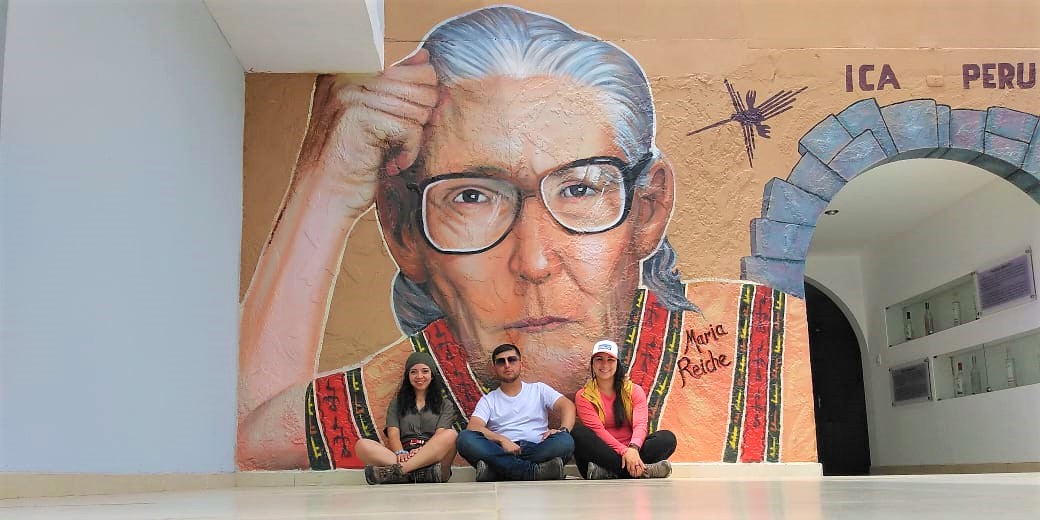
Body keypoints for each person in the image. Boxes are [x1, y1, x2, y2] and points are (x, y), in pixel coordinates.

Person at [235, 5, 814, 472]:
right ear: (404, 231)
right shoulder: (411, 378)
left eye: (580, 188)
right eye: (472, 197)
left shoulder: (762, 344)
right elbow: (243, 444)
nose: (534, 262)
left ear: (647, 210)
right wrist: (325, 192)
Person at [455, 344, 575, 481]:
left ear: (520, 363)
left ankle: (498, 472)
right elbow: (474, 427)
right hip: (501, 450)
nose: (507, 365)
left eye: (511, 360)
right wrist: (502, 440)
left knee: (565, 441)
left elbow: (567, 406)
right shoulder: (489, 400)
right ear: (495, 368)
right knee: (465, 439)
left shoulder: (538, 389)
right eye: (501, 362)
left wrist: (563, 430)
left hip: (537, 448)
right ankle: (534, 472)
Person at [573, 340, 676, 479]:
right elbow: (598, 431)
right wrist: (624, 451)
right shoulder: (584, 396)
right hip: (604, 453)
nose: (604, 365)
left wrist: (633, 448)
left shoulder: (634, 391)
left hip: (634, 451)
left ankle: (608, 473)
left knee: (667, 439)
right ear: (592, 363)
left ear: (617, 363)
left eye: (610, 360)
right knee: (578, 434)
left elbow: (640, 424)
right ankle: (645, 471)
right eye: (599, 359)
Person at [353, 352, 458, 484]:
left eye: (425, 371)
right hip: (403, 456)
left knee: (451, 435)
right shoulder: (397, 403)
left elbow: (440, 434)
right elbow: (393, 433)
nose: (419, 376)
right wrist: (400, 452)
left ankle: (400, 471)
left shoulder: (445, 404)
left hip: (433, 459)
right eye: (413, 372)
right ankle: (413, 473)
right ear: (408, 376)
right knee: (362, 445)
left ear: (432, 375)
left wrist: (422, 451)